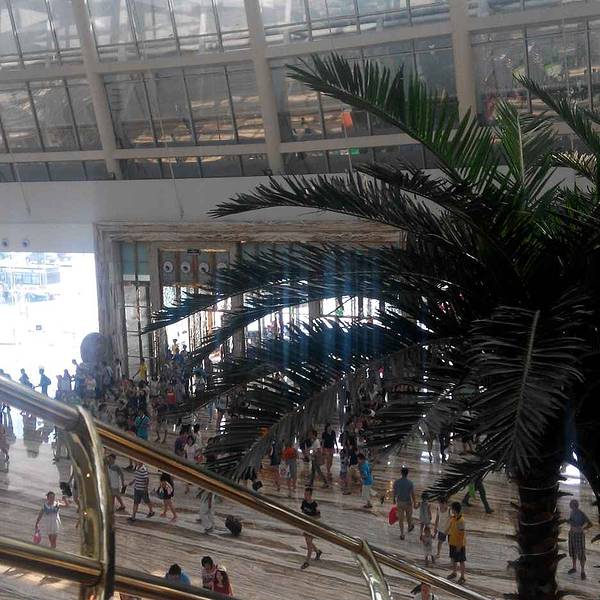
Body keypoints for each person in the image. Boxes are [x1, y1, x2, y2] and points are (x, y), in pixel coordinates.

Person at [566, 499, 592, 580]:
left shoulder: (581, 513)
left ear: (575, 505)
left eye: (572, 505)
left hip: (579, 536)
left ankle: (583, 572)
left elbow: (590, 524)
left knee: (581, 554)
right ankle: (574, 568)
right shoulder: (572, 512)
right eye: (571, 505)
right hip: (571, 535)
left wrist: (582, 529)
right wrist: (568, 521)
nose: (570, 506)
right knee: (573, 552)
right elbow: (571, 520)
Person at [300, 487, 323, 569]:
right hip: (306, 525)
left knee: (309, 543)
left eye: (307, 494)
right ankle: (318, 552)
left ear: (310, 495)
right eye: (304, 494)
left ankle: (307, 562)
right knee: (308, 542)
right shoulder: (303, 502)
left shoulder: (314, 505)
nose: (305, 496)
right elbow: (302, 511)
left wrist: (310, 518)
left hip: (313, 525)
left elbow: (319, 516)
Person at [393, 466, 417, 540]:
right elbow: (412, 494)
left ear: (401, 473)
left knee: (401, 519)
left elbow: (395, 492)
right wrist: (415, 502)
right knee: (409, 517)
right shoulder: (410, 483)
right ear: (407, 473)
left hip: (400, 502)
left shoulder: (396, 482)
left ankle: (402, 534)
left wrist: (393, 499)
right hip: (408, 503)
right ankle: (409, 527)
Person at [447, 501, 466, 584]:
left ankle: (462, 577)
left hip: (459, 544)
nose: (451, 510)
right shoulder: (454, 518)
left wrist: (459, 546)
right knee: (453, 558)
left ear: (455, 510)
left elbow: (462, 535)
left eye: (452, 509)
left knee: (461, 560)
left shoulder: (461, 521)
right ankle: (454, 572)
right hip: (452, 542)